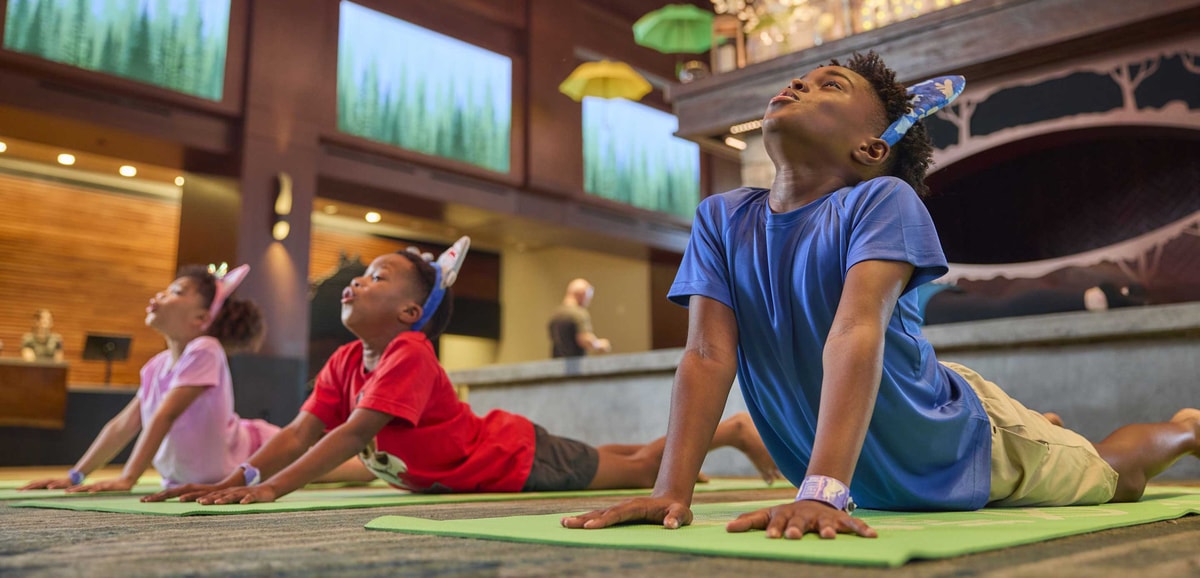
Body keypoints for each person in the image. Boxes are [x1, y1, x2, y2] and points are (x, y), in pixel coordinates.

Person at [562, 52, 1199, 540]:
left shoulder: (880, 200)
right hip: (871, 470)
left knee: (1116, 475)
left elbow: (855, 329)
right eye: (802, 79)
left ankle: (1182, 429)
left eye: (830, 85)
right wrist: (672, 491)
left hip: (953, 443)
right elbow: (707, 355)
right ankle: (1040, 427)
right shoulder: (720, 219)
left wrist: (822, 491)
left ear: (872, 148)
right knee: (1059, 451)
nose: (800, 84)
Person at [144, 238, 778, 505]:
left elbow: (352, 433)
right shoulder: (345, 361)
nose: (356, 282)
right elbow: (297, 433)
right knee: (620, 455)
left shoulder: (408, 354)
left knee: (638, 470)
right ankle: (727, 433)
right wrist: (234, 479)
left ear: (410, 313)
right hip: (502, 450)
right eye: (361, 276)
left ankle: (730, 430)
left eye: (377, 278)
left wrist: (271, 489)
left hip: (513, 460)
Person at [22, 264, 369, 492]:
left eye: (176, 291)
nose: (160, 295)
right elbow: (124, 424)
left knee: (339, 469)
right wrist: (76, 475)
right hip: (206, 469)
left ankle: (376, 459)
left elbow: (166, 414)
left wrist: (128, 478)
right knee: (324, 468)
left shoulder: (205, 349)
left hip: (251, 450)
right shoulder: (156, 366)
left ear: (202, 318)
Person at [549, 278, 611, 357]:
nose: (589, 301)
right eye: (588, 297)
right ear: (582, 294)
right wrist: (599, 344)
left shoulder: (555, 314)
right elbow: (584, 339)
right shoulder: (578, 313)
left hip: (557, 362)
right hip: (575, 362)